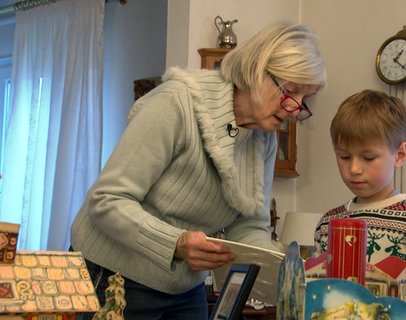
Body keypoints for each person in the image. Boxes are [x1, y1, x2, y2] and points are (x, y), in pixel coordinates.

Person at [70, 22, 326, 320]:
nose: (295, 110)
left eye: (304, 101)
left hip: (182, 286)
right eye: (291, 91)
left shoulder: (263, 138)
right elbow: (107, 200)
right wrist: (175, 243)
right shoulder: (176, 102)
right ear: (256, 71)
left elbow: (249, 224)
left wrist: (281, 270)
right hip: (112, 273)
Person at [308, 90, 406, 319]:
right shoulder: (328, 223)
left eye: (368, 158)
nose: (354, 169)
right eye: (344, 156)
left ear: (399, 155)